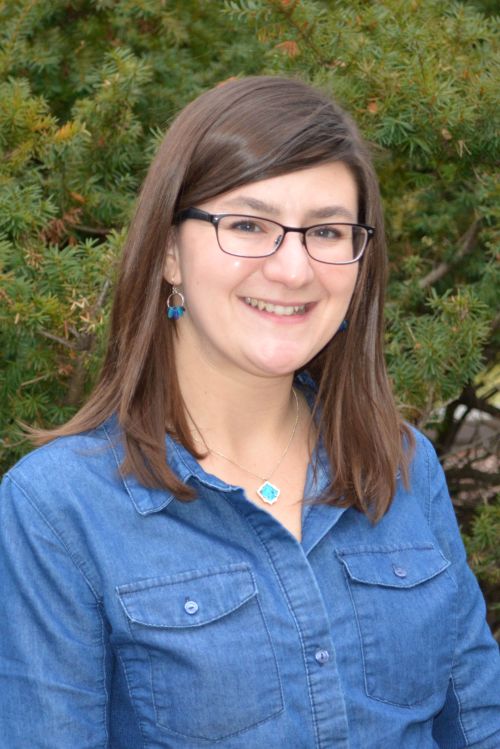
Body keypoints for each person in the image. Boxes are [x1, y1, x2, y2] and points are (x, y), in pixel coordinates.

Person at [0, 76, 498, 749]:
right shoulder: (58, 508)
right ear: (170, 252)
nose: (293, 268)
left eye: (326, 231)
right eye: (247, 225)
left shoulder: (403, 464)